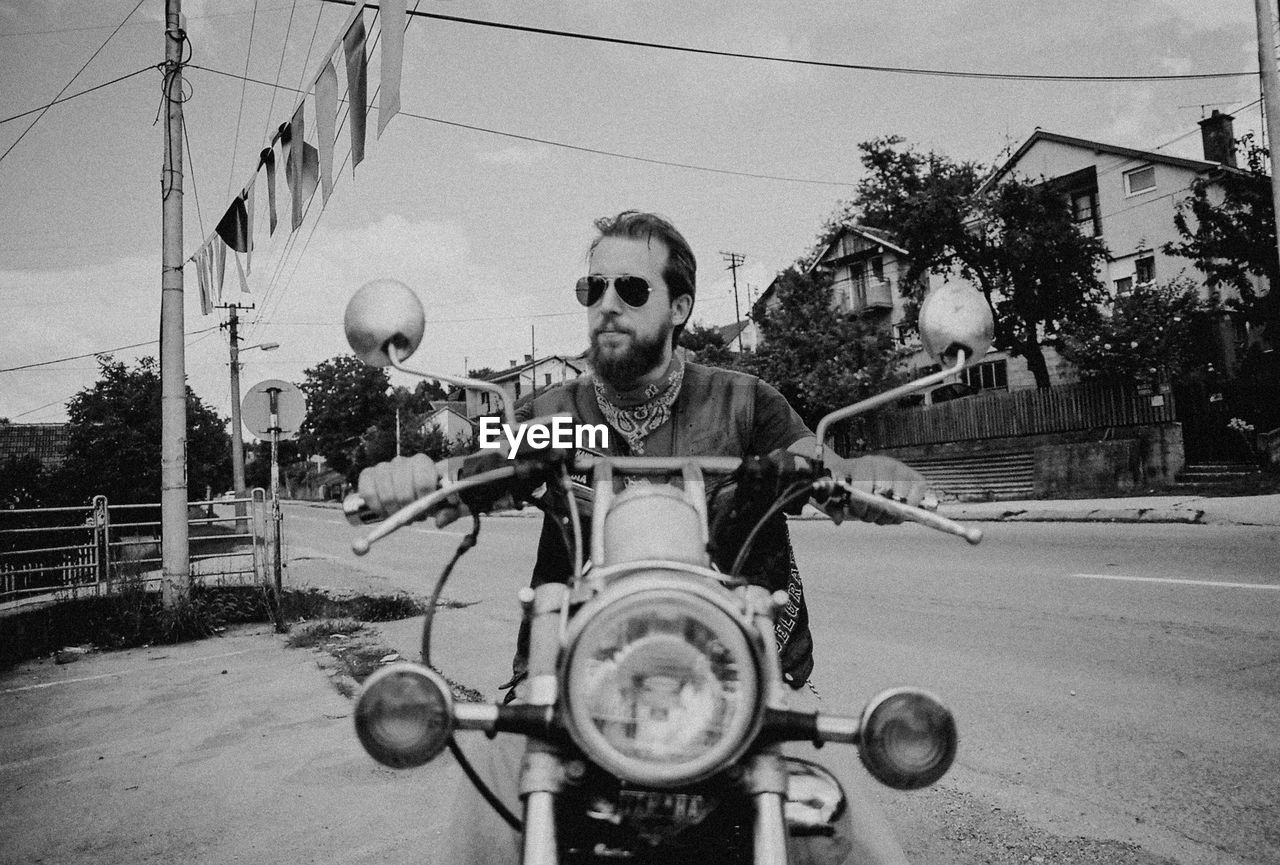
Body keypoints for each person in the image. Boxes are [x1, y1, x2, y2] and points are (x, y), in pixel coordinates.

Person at [358, 211, 924, 864]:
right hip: (569, 677)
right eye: (592, 289)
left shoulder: (743, 401)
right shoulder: (556, 414)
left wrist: (863, 480)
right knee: (482, 820)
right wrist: (415, 477)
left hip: (740, 677)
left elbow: (813, 461)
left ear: (679, 304)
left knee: (850, 835)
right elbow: (478, 469)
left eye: (631, 289)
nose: (606, 304)